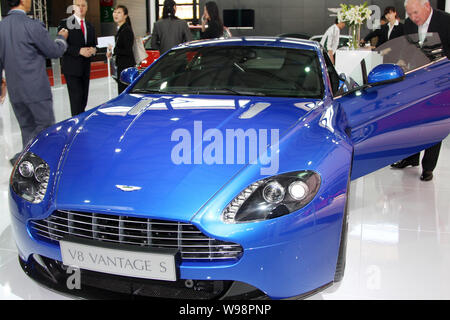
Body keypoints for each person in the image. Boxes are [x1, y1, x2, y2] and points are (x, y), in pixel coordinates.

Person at [0, 0, 68, 166]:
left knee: (27, 129)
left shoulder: (2, 27)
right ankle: (43, 168)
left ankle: (27, 164)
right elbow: (54, 51)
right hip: (36, 90)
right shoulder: (32, 25)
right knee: (45, 131)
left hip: (16, 92)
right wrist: (61, 38)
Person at [391, 0, 450, 181]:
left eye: (416, 13)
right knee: (413, 121)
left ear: (427, 6)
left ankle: (428, 167)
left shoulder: (446, 21)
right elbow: (407, 51)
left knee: (435, 123)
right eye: (410, 14)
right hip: (417, 81)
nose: (413, 18)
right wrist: (400, 66)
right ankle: (411, 157)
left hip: (442, 80)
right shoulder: (409, 24)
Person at [58, 0, 97, 117]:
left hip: (85, 68)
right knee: (76, 100)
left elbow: (94, 44)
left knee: (84, 99)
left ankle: (81, 121)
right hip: (72, 68)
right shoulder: (65, 23)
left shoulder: (90, 25)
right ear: (73, 7)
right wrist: (79, 51)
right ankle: (76, 124)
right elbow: (61, 45)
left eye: (83, 5)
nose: (81, 8)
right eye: (78, 5)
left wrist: (93, 50)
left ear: (87, 8)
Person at [109, 5, 136, 94]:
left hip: (126, 67)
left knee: (124, 92)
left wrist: (114, 50)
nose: (116, 14)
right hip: (122, 66)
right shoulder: (121, 29)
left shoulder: (126, 30)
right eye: (115, 12)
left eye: (119, 12)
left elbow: (127, 51)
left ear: (125, 16)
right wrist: (112, 52)